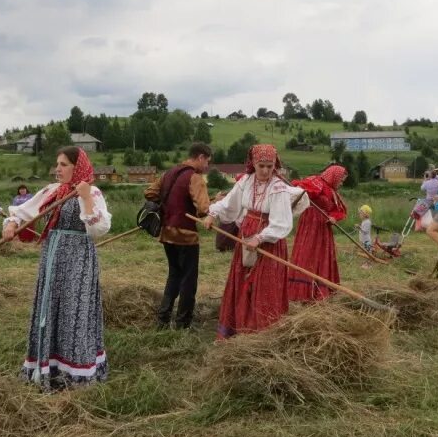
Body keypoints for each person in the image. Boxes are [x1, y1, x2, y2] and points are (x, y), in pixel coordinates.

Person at [3, 146, 111, 390]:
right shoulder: (53, 191)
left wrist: (84, 198)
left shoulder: (92, 192)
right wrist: (11, 224)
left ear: (77, 166)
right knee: (49, 306)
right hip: (52, 257)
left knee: (74, 308)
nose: (57, 169)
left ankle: (76, 372)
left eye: (63, 164)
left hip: (78, 259)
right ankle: (47, 367)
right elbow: (23, 211)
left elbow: (98, 230)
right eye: (57, 164)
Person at [203, 145, 299, 338]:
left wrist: (260, 237)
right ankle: (239, 326)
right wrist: (212, 213)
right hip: (246, 236)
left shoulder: (278, 187)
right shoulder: (246, 181)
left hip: (269, 242)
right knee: (242, 279)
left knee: (263, 285)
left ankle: (263, 332)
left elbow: (281, 222)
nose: (265, 170)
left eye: (269, 166)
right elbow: (229, 203)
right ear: (253, 163)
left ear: (275, 165)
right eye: (261, 165)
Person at [143, 142, 212, 328]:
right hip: (186, 236)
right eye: (207, 162)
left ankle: (163, 319)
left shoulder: (169, 173)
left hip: (167, 233)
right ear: (200, 157)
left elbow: (149, 192)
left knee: (174, 275)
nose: (207, 167)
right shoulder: (195, 177)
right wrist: (212, 203)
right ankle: (182, 323)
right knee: (189, 279)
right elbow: (203, 208)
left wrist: (170, 206)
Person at [287, 164, 348, 301]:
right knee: (308, 253)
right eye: (341, 180)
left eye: (343, 181)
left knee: (322, 255)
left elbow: (339, 210)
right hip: (311, 223)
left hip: (323, 228)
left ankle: (321, 288)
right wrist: (301, 189)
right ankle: (303, 290)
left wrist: (334, 218)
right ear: (334, 176)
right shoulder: (316, 182)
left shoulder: (333, 192)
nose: (341, 183)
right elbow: (299, 190)